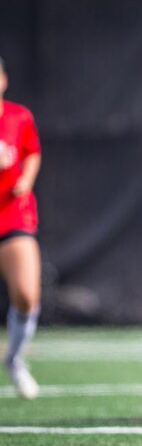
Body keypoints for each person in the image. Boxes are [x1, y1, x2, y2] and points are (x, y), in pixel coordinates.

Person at [0, 55, 43, 400]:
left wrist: (25, 180)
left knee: (26, 296)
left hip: (13, 213)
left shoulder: (19, 116)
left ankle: (14, 359)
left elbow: (32, 152)